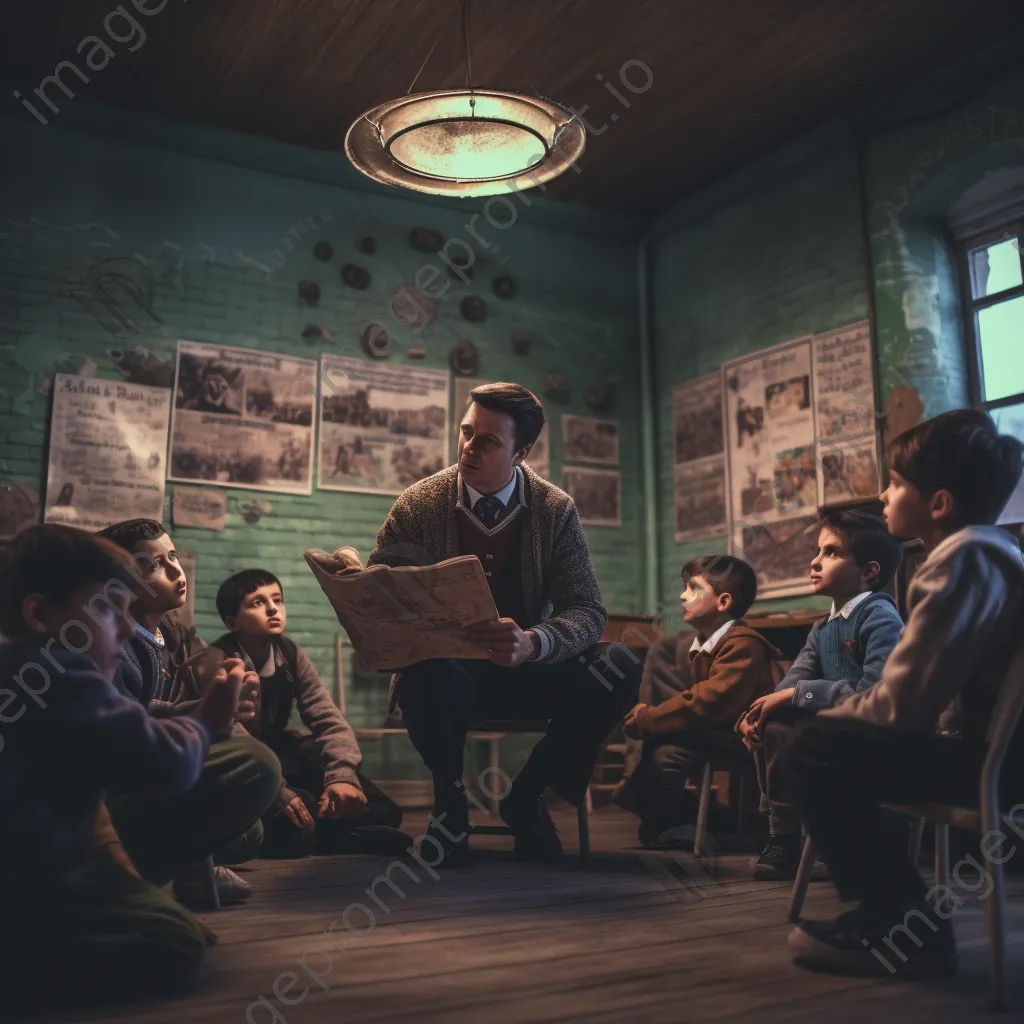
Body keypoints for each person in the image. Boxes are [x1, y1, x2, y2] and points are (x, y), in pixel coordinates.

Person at [783, 409, 1024, 977]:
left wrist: (830, 715)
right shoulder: (996, 554)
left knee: (814, 752)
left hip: (998, 767)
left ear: (938, 504)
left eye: (894, 483)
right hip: (1001, 757)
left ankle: (902, 921)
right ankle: (899, 914)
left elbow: (901, 706)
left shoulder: (960, 563)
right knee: (827, 742)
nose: (884, 495)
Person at [363, 382, 640, 865]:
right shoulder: (418, 503)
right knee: (426, 673)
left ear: (521, 452)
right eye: (466, 432)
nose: (469, 447)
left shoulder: (555, 510)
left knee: (618, 662)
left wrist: (535, 642)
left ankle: (526, 797)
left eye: (487, 441)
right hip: (450, 677)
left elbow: (588, 610)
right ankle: (450, 806)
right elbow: (379, 589)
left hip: (530, 671)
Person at [0, 525, 243, 1004]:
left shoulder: (29, 667)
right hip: (35, 876)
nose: (129, 628)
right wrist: (209, 722)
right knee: (172, 939)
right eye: (110, 610)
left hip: (49, 854)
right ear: (39, 614)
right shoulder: (55, 672)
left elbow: (127, 720)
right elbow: (161, 762)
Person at [97, 518, 281, 909]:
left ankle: (187, 856)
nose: (176, 571)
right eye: (155, 565)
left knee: (252, 833)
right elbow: (118, 720)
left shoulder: (169, 634)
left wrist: (220, 707)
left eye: (174, 557)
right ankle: (173, 865)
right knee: (255, 769)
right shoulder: (109, 639)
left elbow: (164, 707)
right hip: (117, 791)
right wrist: (200, 716)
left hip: (153, 771)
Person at [736, 511, 904, 879]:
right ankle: (784, 837)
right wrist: (759, 712)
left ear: (868, 572)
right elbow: (792, 682)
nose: (814, 561)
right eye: (818, 550)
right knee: (774, 723)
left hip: (872, 736)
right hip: (830, 733)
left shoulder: (880, 618)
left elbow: (873, 692)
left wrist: (799, 695)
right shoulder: (822, 628)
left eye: (831, 552)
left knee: (786, 719)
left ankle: (833, 840)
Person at [211, 568, 409, 858]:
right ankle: (347, 838)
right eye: (257, 602)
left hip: (281, 753)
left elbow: (327, 718)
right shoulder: (220, 660)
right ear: (232, 622)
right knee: (292, 824)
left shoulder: (290, 654)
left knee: (385, 811)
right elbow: (231, 735)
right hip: (247, 765)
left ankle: (336, 833)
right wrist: (279, 793)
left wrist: (341, 775)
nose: (272, 609)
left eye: (277, 600)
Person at [620, 556, 781, 849]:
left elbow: (707, 702)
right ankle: (683, 819)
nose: (683, 595)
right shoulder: (706, 645)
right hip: (722, 733)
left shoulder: (743, 644)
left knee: (664, 749)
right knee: (665, 754)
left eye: (693, 588)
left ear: (723, 602)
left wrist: (648, 718)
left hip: (750, 741)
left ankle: (696, 821)